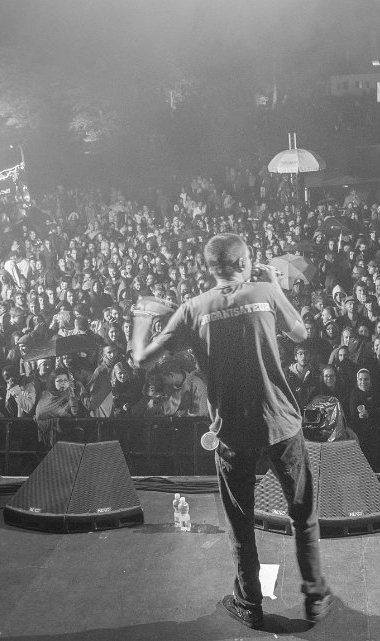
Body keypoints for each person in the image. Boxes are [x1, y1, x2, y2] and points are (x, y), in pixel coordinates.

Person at [131, 233, 332, 629]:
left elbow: (141, 358)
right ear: (243, 263)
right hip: (281, 424)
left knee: (240, 523)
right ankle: (314, 597)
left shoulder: (192, 309)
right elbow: (301, 333)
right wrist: (275, 288)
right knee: (303, 514)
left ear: (211, 268)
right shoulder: (264, 293)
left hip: (232, 434)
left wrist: (141, 320)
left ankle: (249, 604)